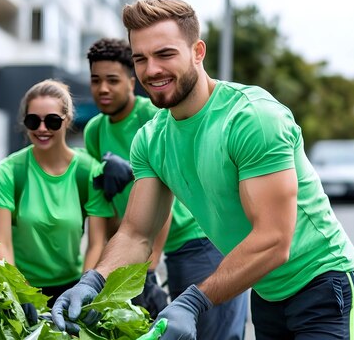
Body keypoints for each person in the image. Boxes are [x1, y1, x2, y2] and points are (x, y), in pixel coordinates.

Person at [52, 0, 354, 340]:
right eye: (140, 58)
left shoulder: (252, 118)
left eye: (165, 54)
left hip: (324, 282)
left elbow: (275, 240)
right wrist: (93, 281)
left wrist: (192, 301)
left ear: (198, 51)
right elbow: (136, 233)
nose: (151, 69)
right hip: (267, 293)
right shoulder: (151, 139)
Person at [84, 37, 248, 338]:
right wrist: (103, 272)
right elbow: (107, 204)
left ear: (131, 80)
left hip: (198, 240)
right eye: (95, 80)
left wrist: (149, 265)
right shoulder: (94, 131)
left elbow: (164, 193)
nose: (103, 89)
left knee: (212, 332)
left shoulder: (154, 116)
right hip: (148, 246)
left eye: (112, 80)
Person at [0, 79, 114, 305]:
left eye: (53, 121)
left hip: (73, 286)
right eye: (33, 121)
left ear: (68, 120)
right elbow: (1, 243)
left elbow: (96, 243)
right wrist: (20, 293)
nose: (42, 129)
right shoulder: (7, 172)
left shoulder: (89, 171)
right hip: (22, 285)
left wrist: (85, 289)